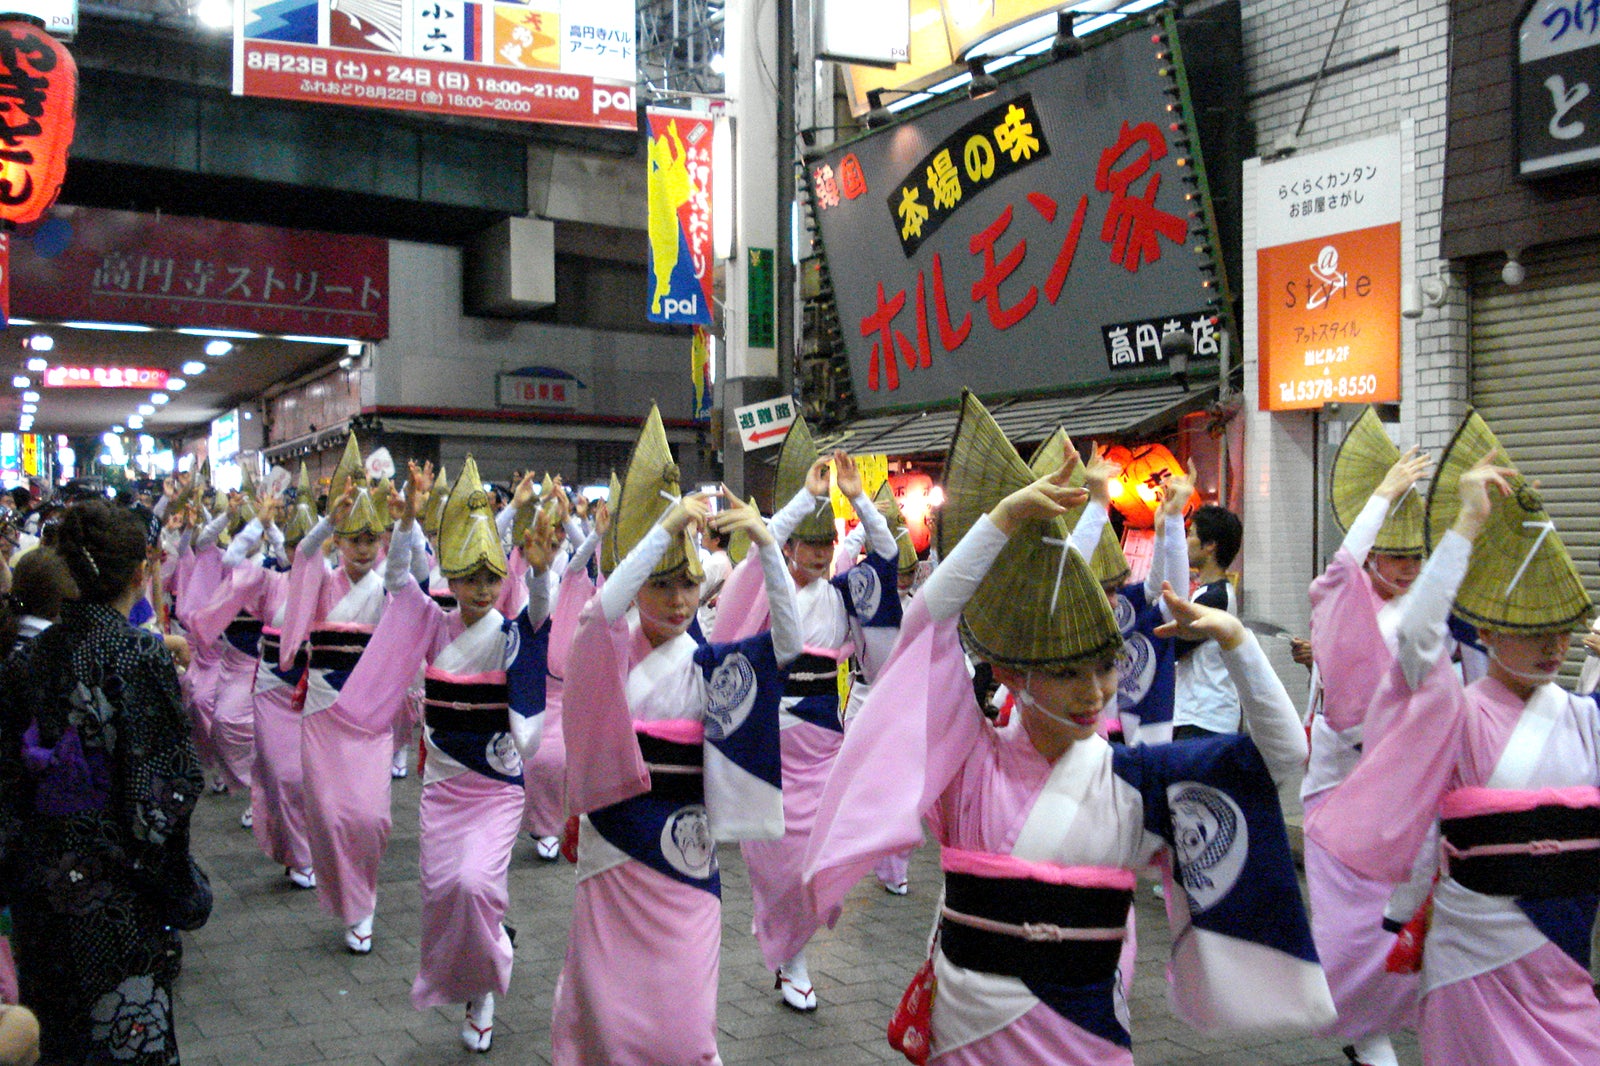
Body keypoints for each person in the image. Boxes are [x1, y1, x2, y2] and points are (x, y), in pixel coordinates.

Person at [804, 393, 1332, 1065]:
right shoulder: (969, 759)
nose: (1095, 692)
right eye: (1069, 675)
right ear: (1013, 676)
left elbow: (1283, 758)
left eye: (1105, 669)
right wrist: (999, 520)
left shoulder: (1135, 779)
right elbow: (922, 633)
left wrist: (1236, 641)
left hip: (1083, 1041)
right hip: (965, 1037)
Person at [1306, 411, 1600, 1066]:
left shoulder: (1587, 719)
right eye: (1534, 630)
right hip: (1472, 956)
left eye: (1562, 630)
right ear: (1487, 632)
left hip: (1564, 958)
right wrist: (1463, 527)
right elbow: (1416, 641)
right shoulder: (1453, 715)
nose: (1554, 646)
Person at [550, 405, 802, 1066]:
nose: (679, 599)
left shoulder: (711, 667)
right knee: (609, 1018)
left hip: (686, 866)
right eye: (661, 585)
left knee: (686, 1030)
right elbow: (598, 613)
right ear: (638, 589)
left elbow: (788, 643)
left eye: (690, 583)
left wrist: (769, 545)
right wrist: (661, 530)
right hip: (611, 860)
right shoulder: (604, 654)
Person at [0, 498, 204, 1064]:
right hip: (116, 891)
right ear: (140, 574)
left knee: (58, 1038)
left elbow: (9, 786)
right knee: (125, 1037)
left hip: (40, 888)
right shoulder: (139, 654)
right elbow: (166, 793)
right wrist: (181, 888)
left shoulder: (26, 661)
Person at [356, 459, 549, 1051]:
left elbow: (540, 613)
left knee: (474, 885)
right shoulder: (433, 624)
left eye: (492, 579)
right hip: (442, 790)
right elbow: (397, 583)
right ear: (453, 579)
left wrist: (539, 573)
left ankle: (486, 982)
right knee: (444, 896)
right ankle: (478, 981)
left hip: (495, 789)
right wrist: (409, 523)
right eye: (468, 578)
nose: (481, 590)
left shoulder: (511, 633)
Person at [714, 415, 901, 1012]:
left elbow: (890, 553)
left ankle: (793, 945)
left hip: (823, 744)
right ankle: (790, 958)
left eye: (828, 543)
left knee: (818, 863)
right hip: (768, 744)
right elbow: (762, 548)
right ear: (788, 544)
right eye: (807, 543)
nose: (819, 555)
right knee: (776, 865)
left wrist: (856, 499)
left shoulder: (847, 594)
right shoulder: (761, 586)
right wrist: (804, 501)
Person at [1301, 408, 1435, 1066]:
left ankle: (1379, 1034)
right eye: (1396, 557)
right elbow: (1336, 573)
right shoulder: (1355, 604)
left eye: (1419, 559)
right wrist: (1382, 497)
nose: (1408, 570)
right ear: (1374, 558)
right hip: (1336, 800)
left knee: (1406, 940)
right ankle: (1366, 1038)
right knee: (1348, 941)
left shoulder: (1429, 620)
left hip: (1404, 807)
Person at [278, 434, 424, 954]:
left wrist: (408, 521)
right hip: (322, 710)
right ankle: (352, 905)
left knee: (371, 817)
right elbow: (301, 554)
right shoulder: (321, 579)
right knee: (327, 812)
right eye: (352, 539)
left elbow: (415, 575)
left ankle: (364, 897)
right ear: (339, 541)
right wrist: (329, 519)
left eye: (371, 540)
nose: (362, 549)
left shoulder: (389, 581)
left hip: (369, 716)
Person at [1172, 502, 1243, 739]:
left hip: (1206, 716)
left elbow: (1176, 646)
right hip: (1200, 712)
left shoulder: (1216, 597)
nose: (1186, 540)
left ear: (1210, 545)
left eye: (1191, 534)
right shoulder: (1209, 593)